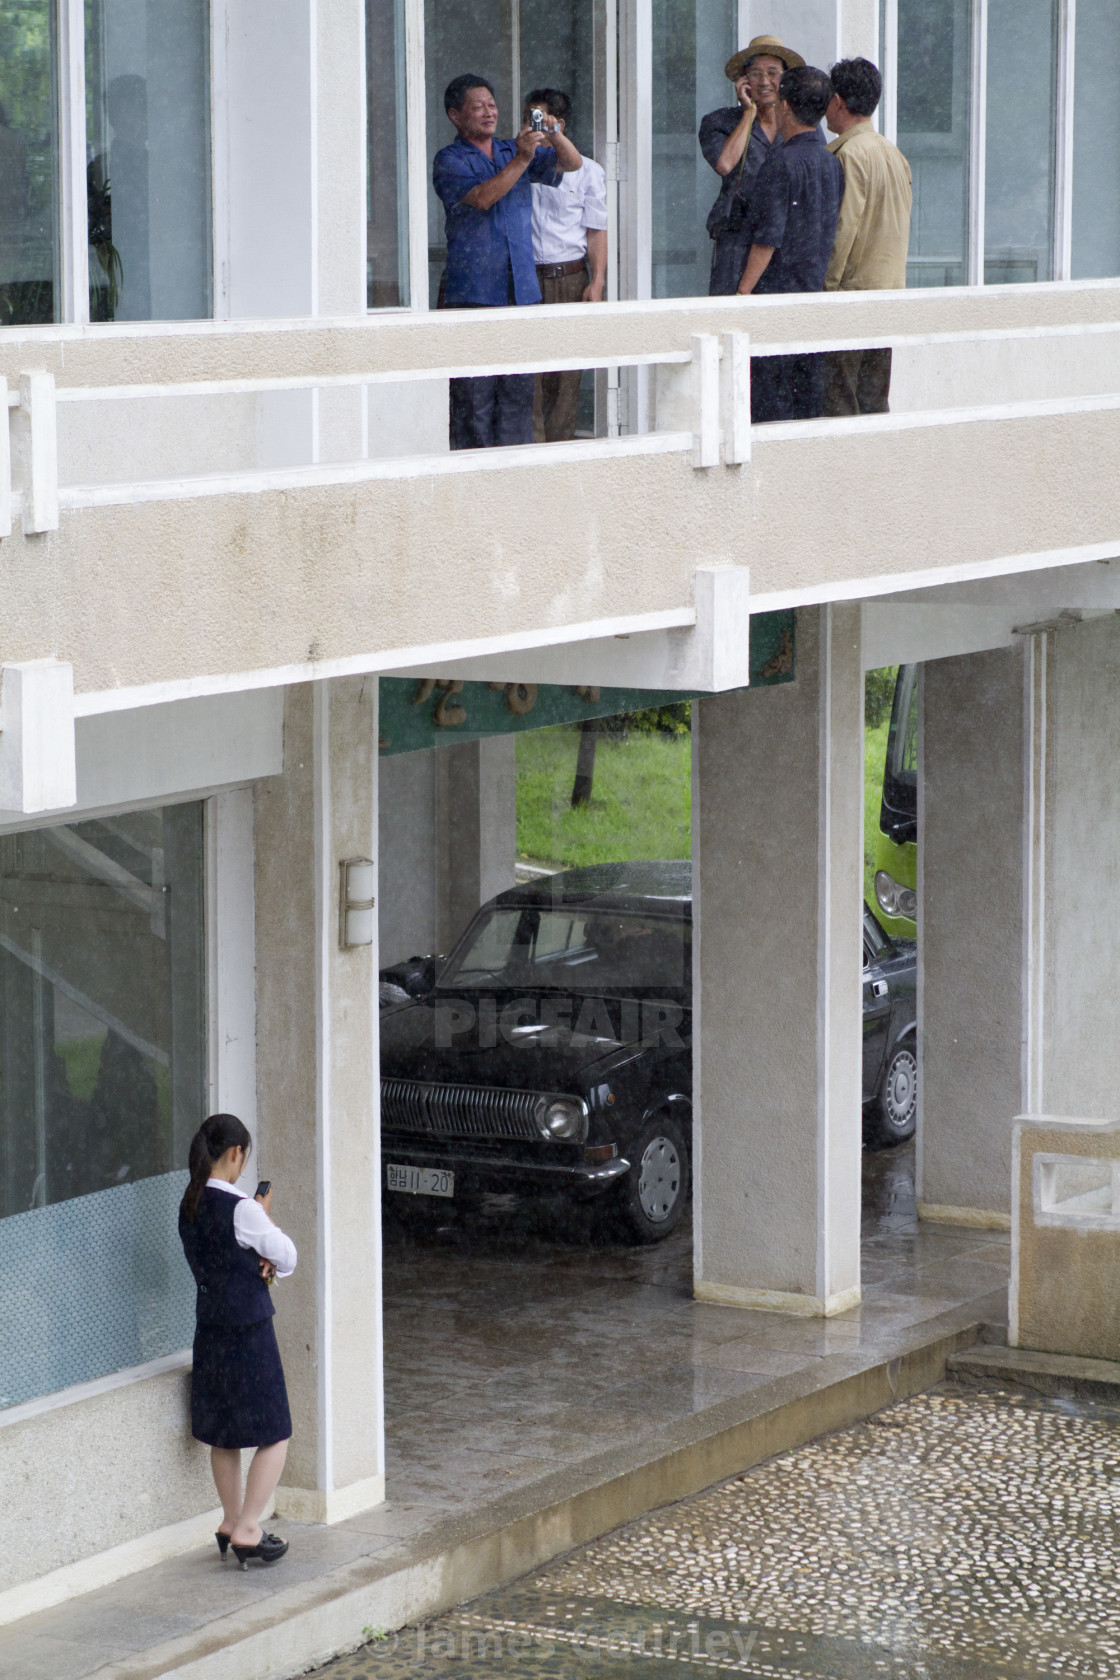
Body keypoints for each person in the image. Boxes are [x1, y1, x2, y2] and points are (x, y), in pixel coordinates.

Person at [433, 74, 583, 451]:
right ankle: (475, 479)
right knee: (474, 398)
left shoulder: (508, 148)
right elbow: (483, 198)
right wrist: (522, 158)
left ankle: (513, 479)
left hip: (521, 290)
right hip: (474, 293)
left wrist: (555, 133)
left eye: (492, 104)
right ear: (455, 115)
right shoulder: (449, 159)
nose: (489, 112)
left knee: (518, 393)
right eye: (478, 106)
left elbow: (572, 164)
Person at [178, 1113, 297, 1570]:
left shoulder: (188, 1203)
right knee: (275, 1430)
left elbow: (220, 1256)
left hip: (209, 1330)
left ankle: (230, 1521)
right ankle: (249, 1528)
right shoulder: (244, 1210)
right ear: (235, 1154)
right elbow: (287, 1254)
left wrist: (255, 1251)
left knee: (224, 1435)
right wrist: (266, 1245)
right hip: (248, 1332)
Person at [737, 65, 844, 423]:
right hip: (814, 299)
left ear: (784, 106)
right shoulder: (831, 162)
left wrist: (742, 294)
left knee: (771, 405)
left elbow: (767, 239)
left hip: (776, 298)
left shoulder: (781, 162)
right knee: (808, 404)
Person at [823, 58, 912, 415]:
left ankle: (845, 472)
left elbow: (844, 228)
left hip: (852, 295)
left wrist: (826, 288)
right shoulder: (894, 154)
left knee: (840, 400)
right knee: (874, 399)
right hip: (890, 292)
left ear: (839, 102)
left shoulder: (847, 155)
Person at [524, 86, 608, 443]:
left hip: (570, 277)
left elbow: (596, 229)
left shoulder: (588, 171)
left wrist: (598, 281)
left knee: (566, 372)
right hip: (528, 278)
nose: (537, 126)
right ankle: (532, 451)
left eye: (543, 119)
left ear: (561, 122)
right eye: (532, 118)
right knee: (530, 375)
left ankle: (560, 450)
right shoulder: (518, 163)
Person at [699, 35, 804, 297]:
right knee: (730, 313)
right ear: (744, 81)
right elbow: (724, 164)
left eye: (773, 73)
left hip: (783, 240)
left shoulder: (798, 124)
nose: (765, 82)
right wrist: (748, 113)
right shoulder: (719, 122)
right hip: (737, 239)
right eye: (756, 74)